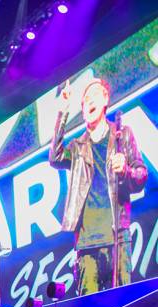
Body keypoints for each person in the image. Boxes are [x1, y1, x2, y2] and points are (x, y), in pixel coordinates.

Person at [49, 78, 147, 295]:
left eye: (95, 95)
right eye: (84, 100)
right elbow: (55, 157)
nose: (89, 101)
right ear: (82, 110)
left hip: (117, 235)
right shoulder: (76, 147)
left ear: (105, 100)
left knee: (121, 305)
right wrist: (63, 112)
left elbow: (141, 175)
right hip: (87, 241)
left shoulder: (123, 135)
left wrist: (127, 171)